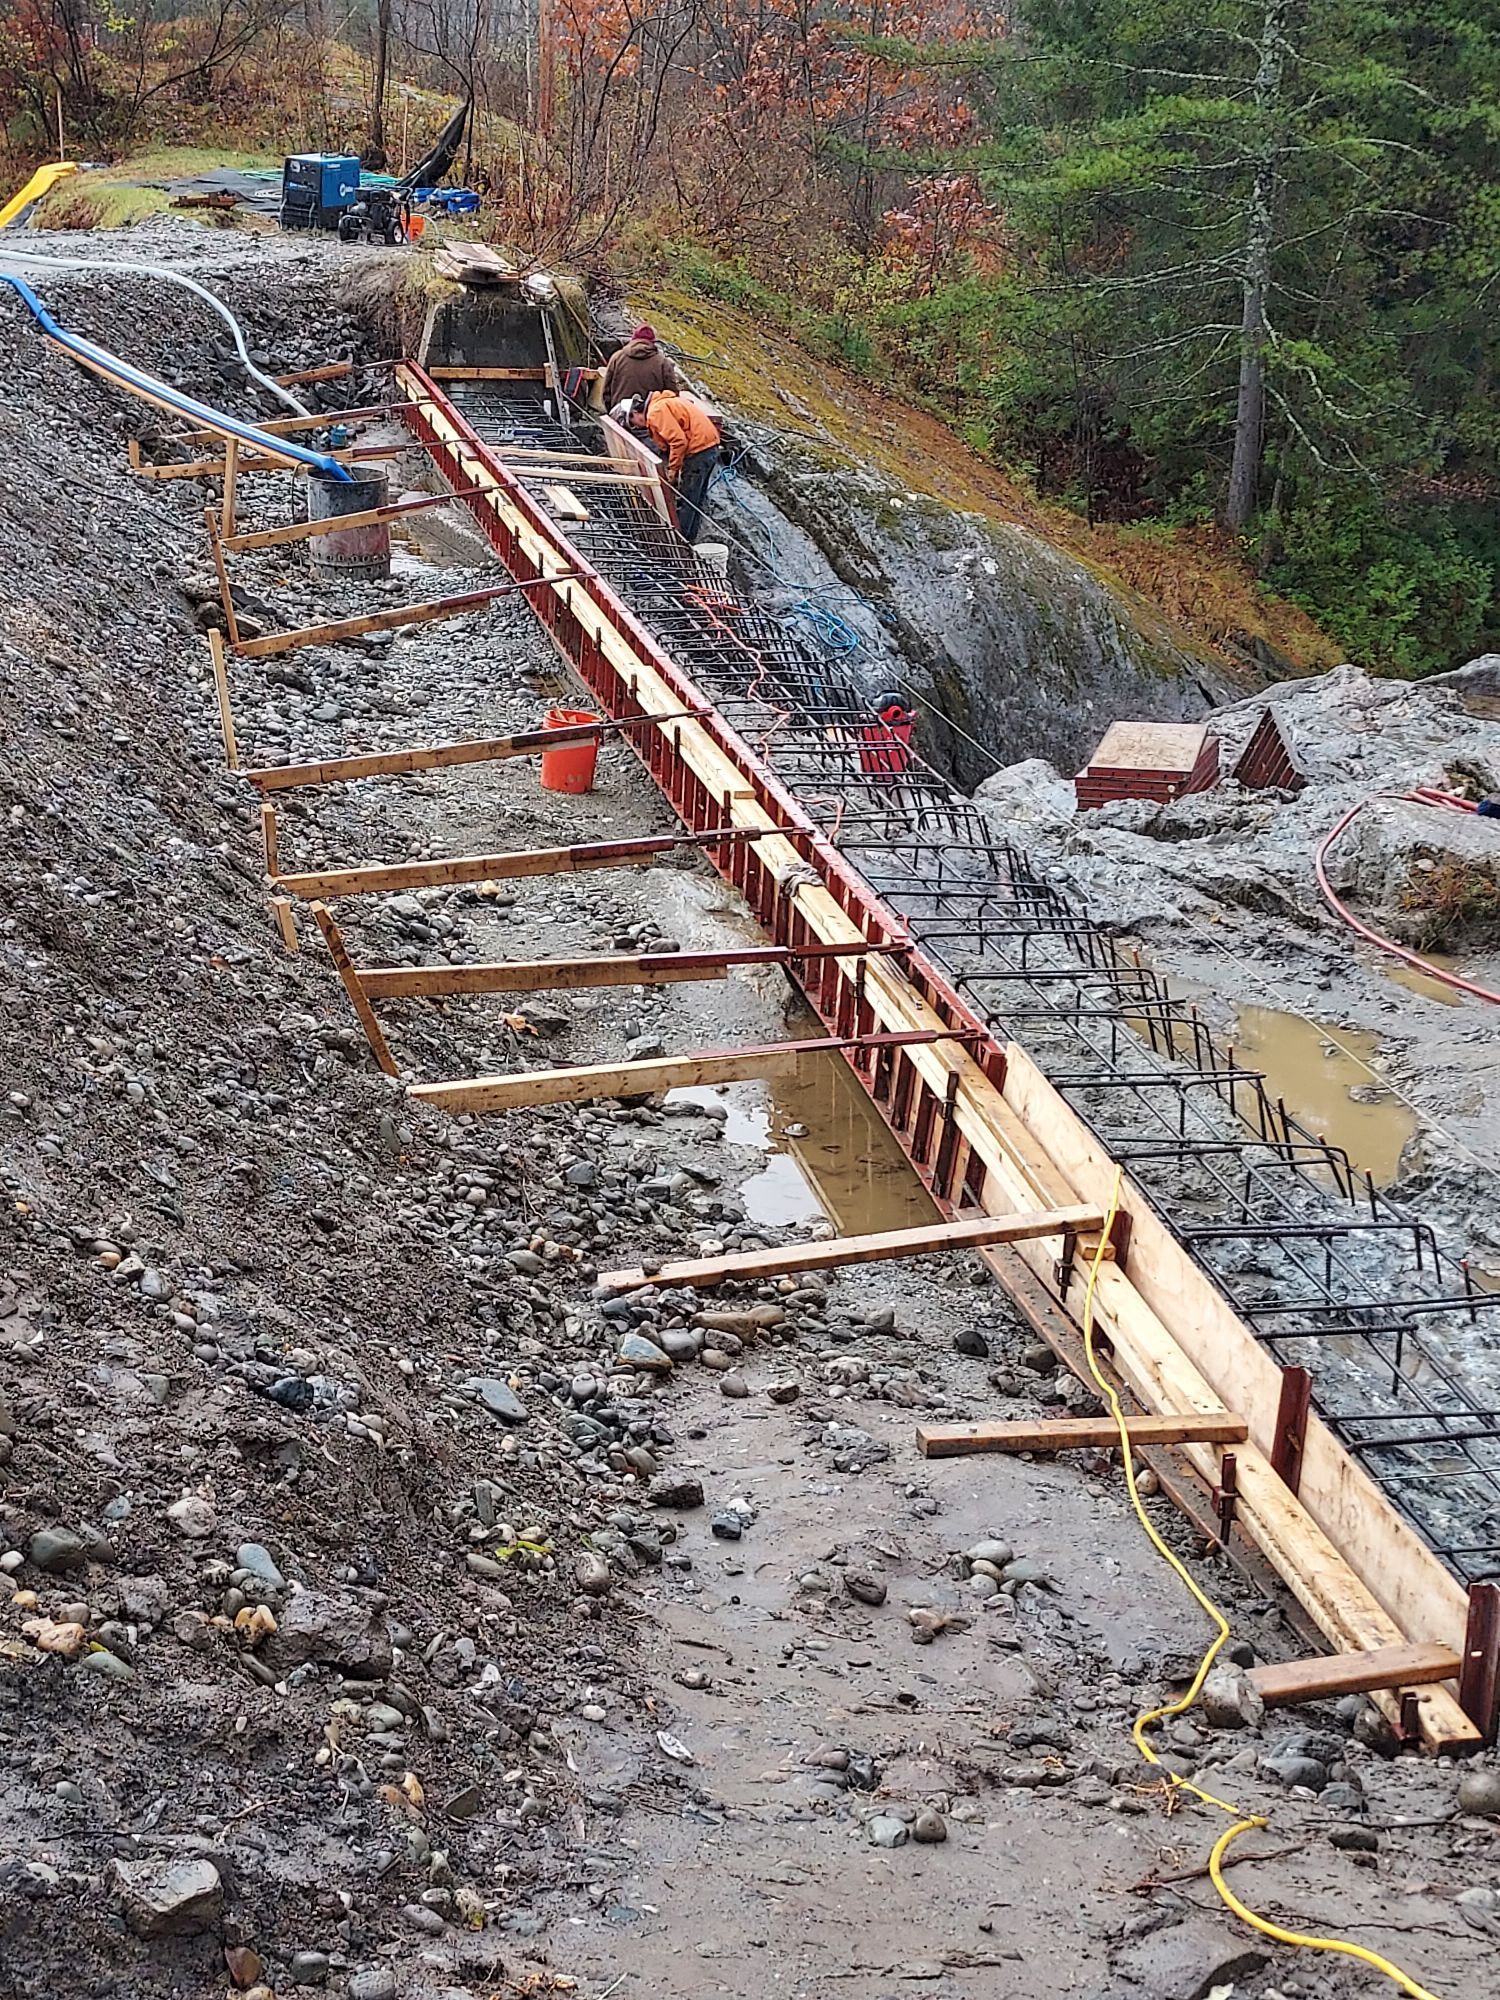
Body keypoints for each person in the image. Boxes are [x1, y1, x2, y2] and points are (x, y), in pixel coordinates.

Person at [625, 389, 723, 545]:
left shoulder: (655, 412)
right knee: (695, 499)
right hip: (708, 447)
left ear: (635, 413)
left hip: (699, 450)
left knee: (688, 499)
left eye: (633, 423)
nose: (637, 427)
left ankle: (681, 542)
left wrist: (673, 470)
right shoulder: (662, 404)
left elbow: (678, 441)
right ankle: (689, 539)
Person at [601, 324, 681, 410]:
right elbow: (672, 395)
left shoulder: (616, 357)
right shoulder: (663, 363)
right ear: (653, 342)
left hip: (620, 414)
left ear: (633, 339)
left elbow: (606, 391)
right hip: (651, 417)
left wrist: (612, 410)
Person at [857, 691, 916, 778]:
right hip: (894, 769)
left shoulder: (869, 720)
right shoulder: (905, 720)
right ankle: (894, 773)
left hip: (874, 768)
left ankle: (875, 772)